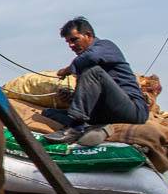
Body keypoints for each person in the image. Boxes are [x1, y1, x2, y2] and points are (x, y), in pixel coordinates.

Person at [42, 17, 148, 145]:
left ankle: (75, 128)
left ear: (88, 35)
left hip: (132, 109)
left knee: (93, 71)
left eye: (74, 39)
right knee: (49, 113)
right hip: (107, 111)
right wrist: (71, 98)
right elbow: (91, 95)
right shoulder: (85, 63)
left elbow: (90, 57)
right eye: (68, 42)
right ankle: (92, 128)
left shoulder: (105, 46)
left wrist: (66, 70)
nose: (71, 45)